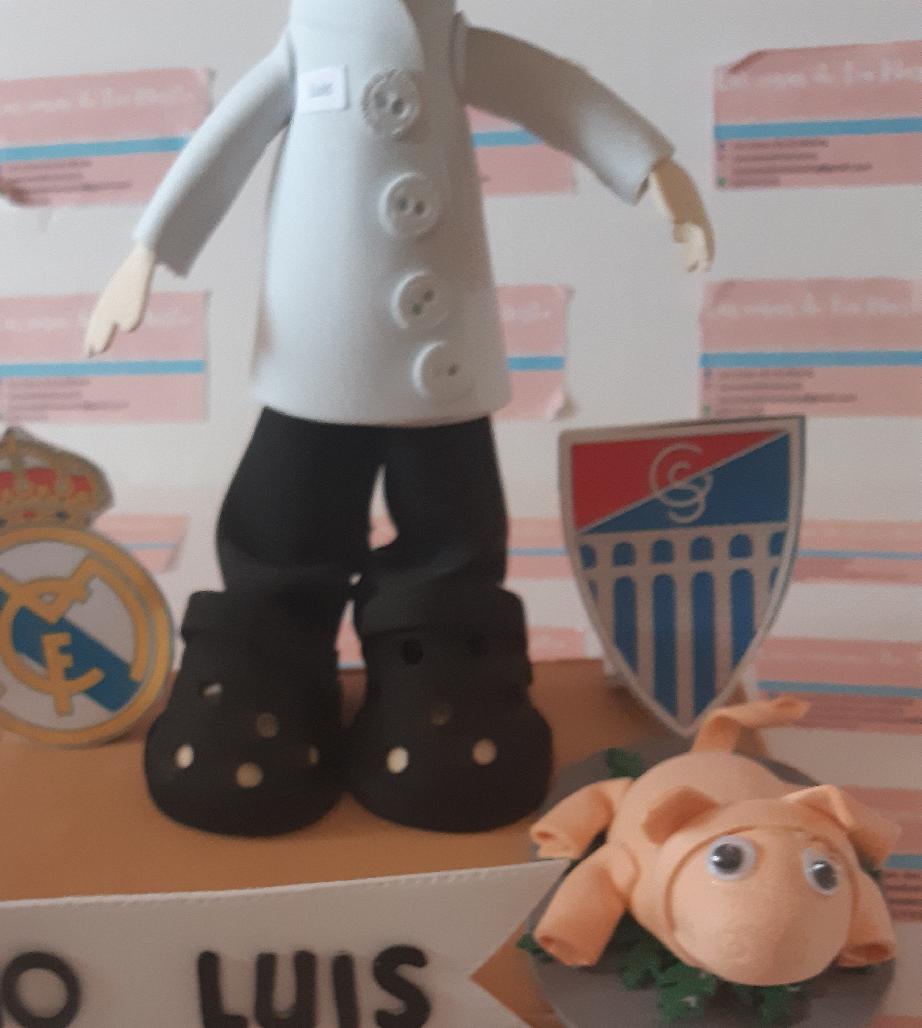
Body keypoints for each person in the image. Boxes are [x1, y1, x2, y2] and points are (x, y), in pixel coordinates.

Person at [87, 0, 714, 837]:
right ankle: (270, 648)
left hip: (441, 357)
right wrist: (148, 252)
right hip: (317, 347)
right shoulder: (308, 45)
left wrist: (651, 167)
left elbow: (559, 95)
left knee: (453, 517)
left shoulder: (450, 44)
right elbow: (223, 148)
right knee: (287, 504)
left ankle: (443, 651)